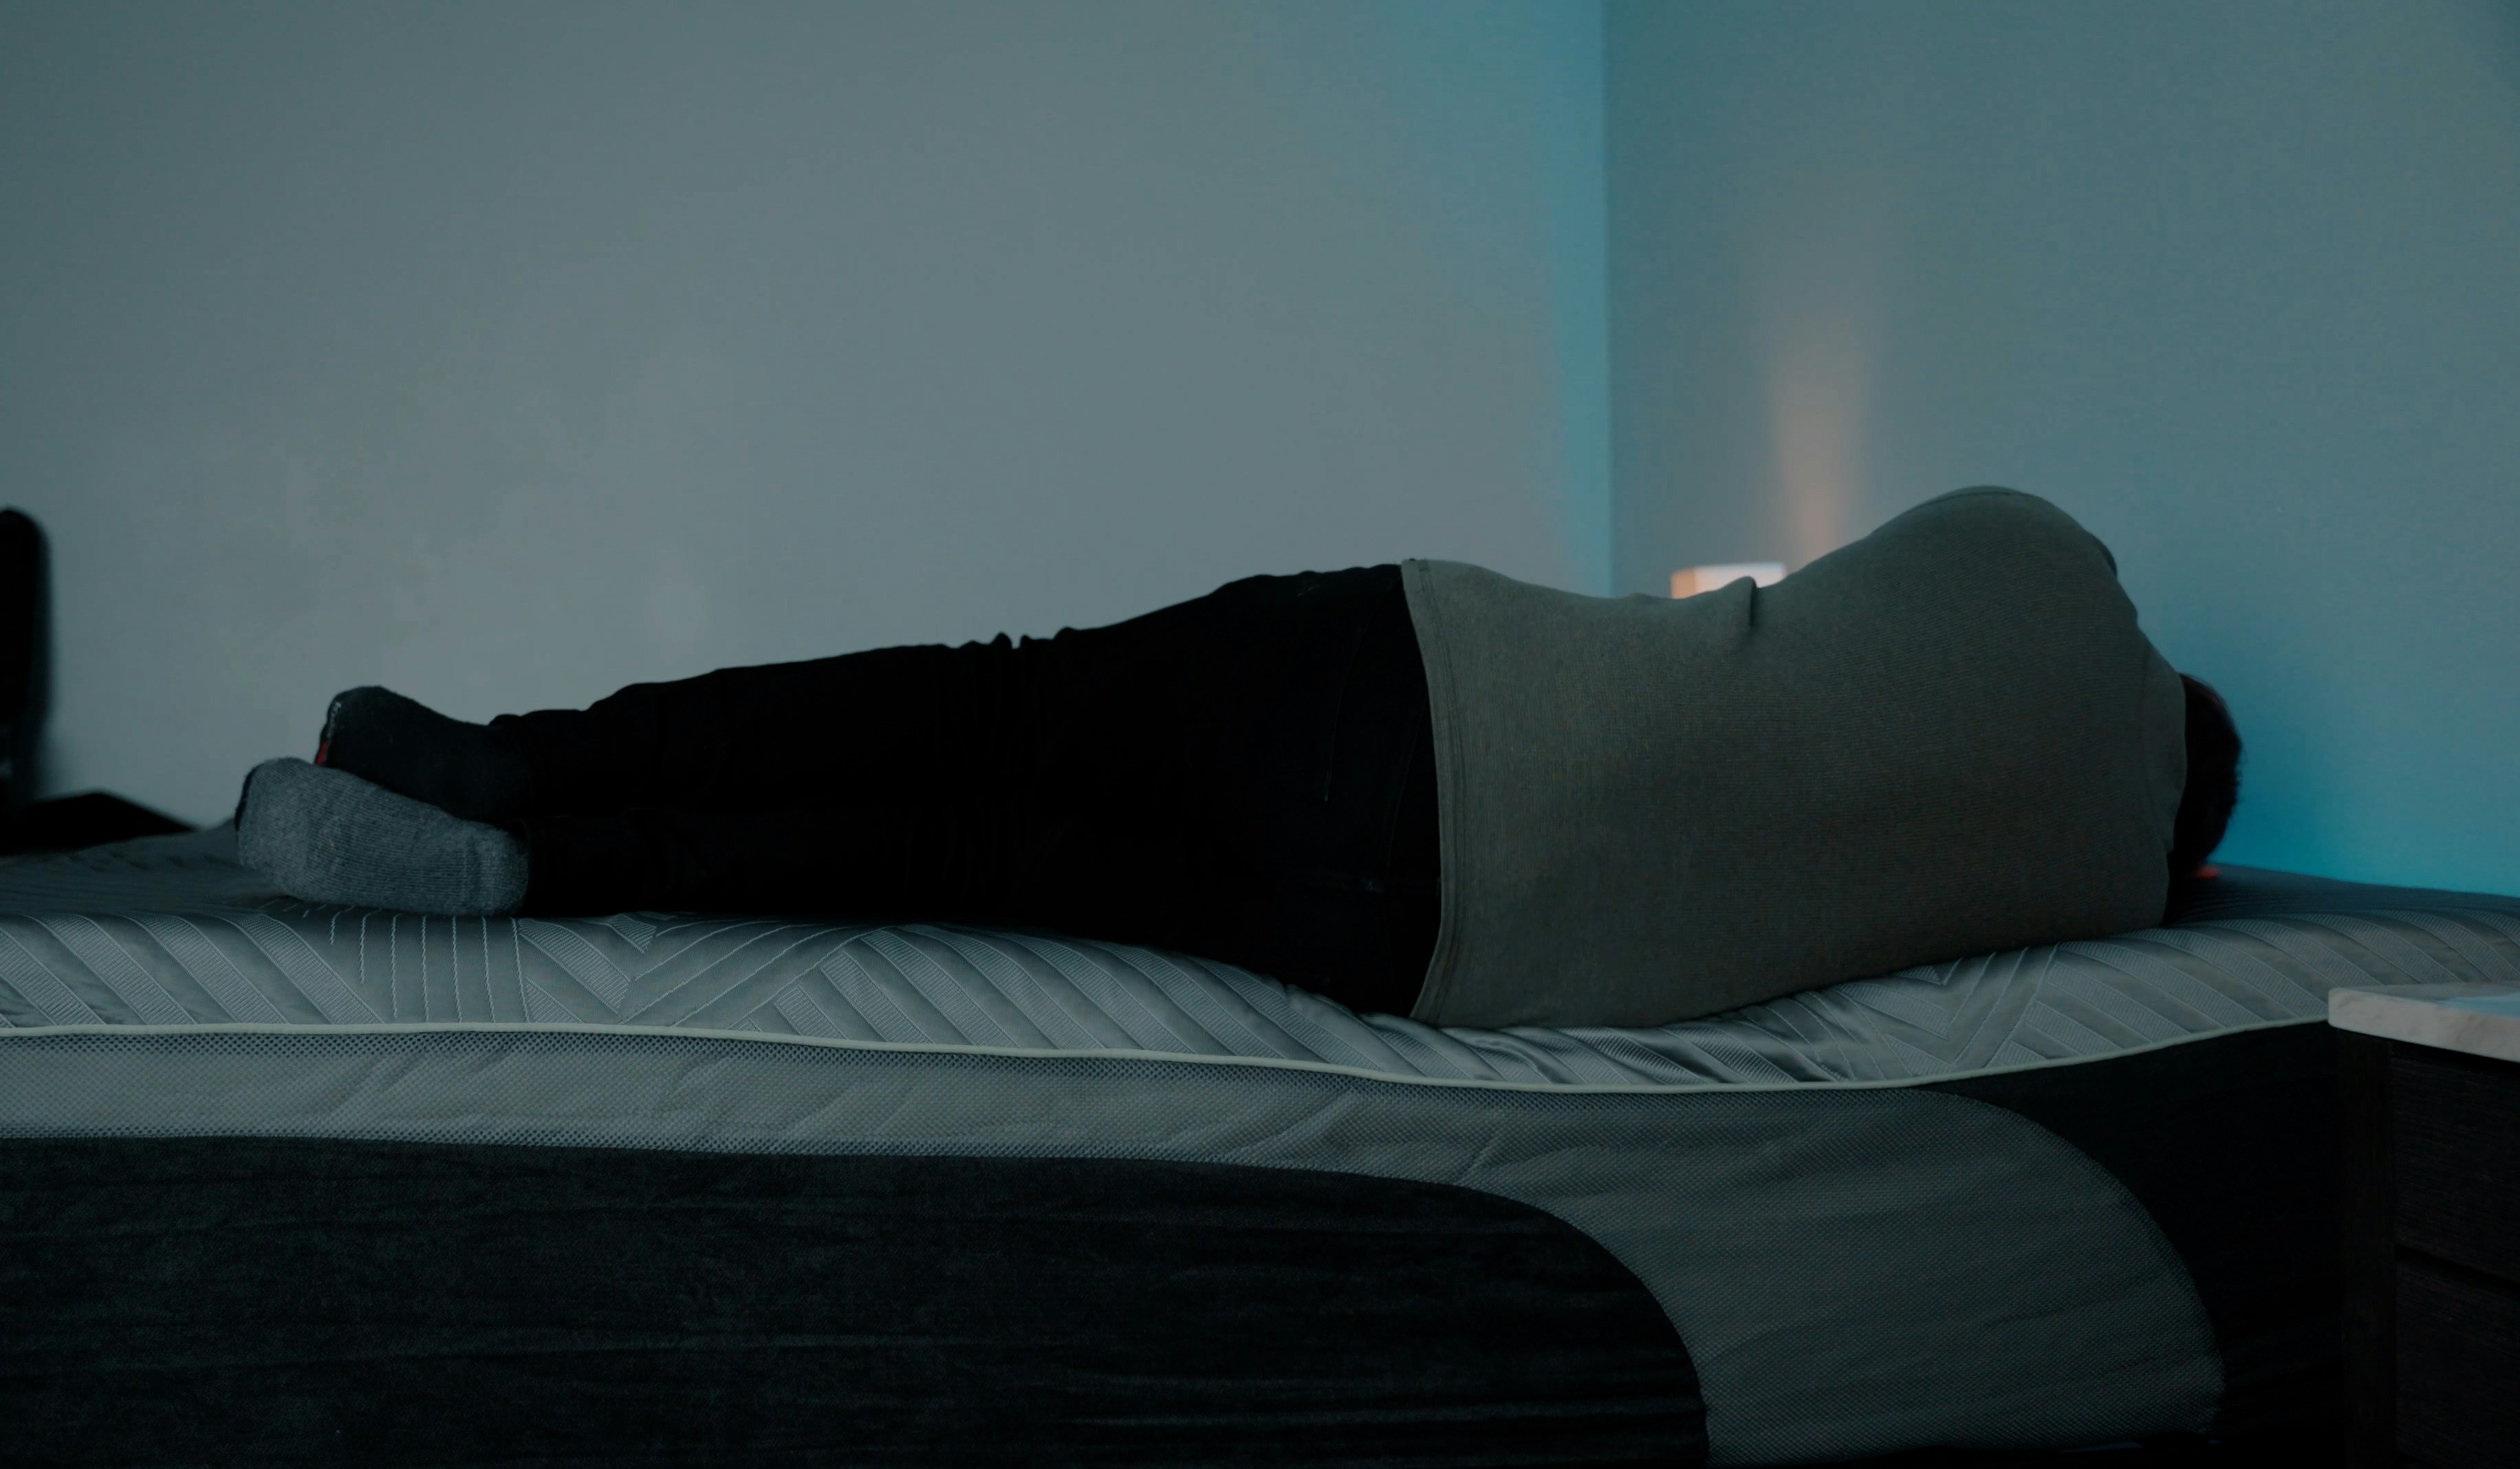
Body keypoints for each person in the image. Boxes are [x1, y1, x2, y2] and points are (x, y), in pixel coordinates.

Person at [237, 486, 2241, 1030]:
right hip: (1430, 952)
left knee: (986, 706)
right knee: (966, 853)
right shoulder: (2119, 900)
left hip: (1423, 685)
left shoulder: (2052, 566)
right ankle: (551, 873)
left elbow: (1876, 566)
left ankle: (509, 768)